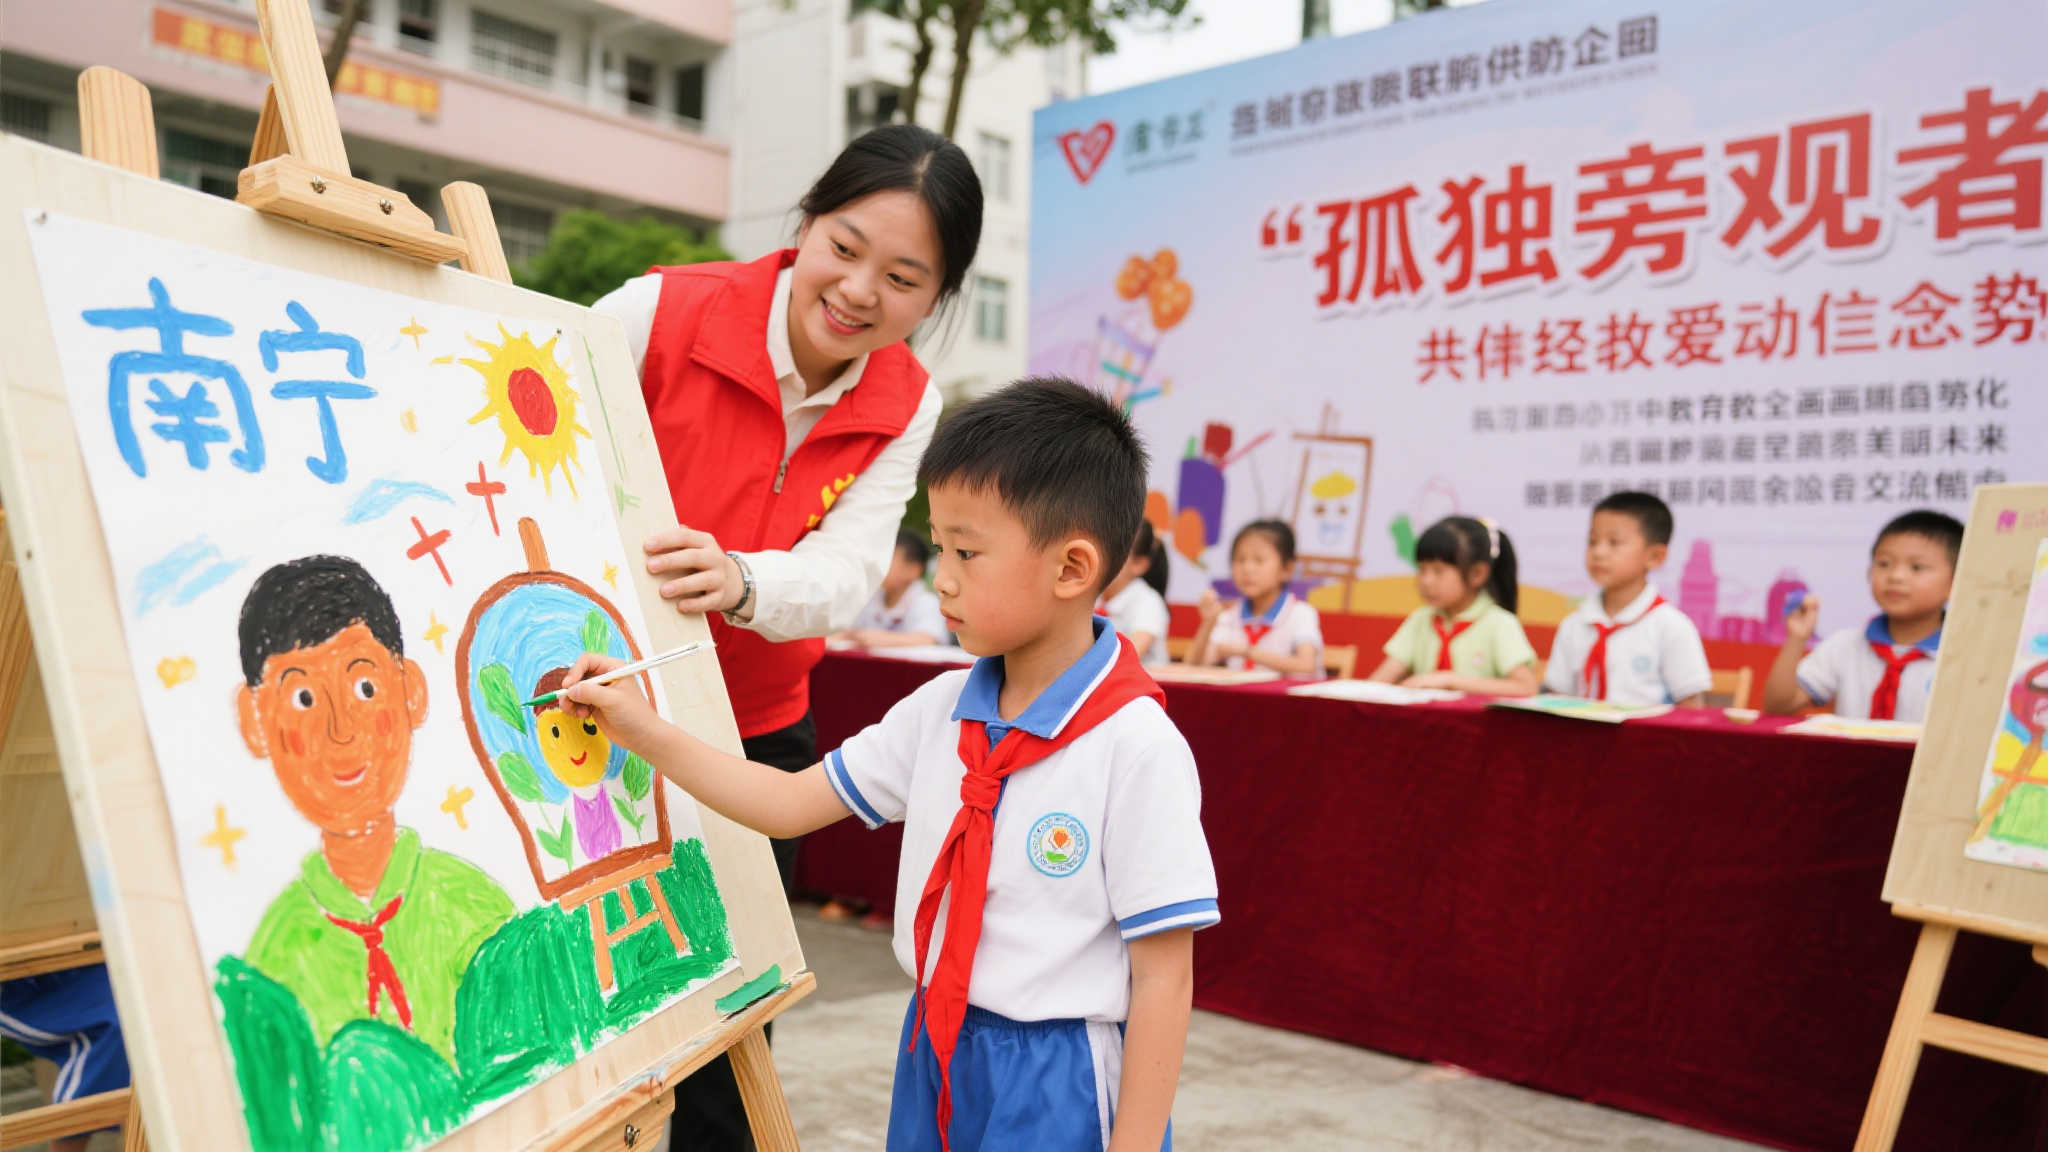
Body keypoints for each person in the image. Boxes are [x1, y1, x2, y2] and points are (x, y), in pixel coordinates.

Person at [558, 379, 1217, 1152]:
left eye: (967, 552)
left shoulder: (1135, 746)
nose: (941, 575)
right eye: (940, 545)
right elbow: (787, 803)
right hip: (934, 1043)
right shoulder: (938, 709)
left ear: (1072, 569)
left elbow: (1165, 975)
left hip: (1058, 1074)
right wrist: (640, 728)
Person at [595, 125, 982, 1149]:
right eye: (845, 247)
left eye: (902, 278)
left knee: (731, 1015)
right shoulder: (657, 311)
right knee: (577, 994)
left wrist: (739, 578)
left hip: (756, 734)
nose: (859, 291)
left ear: (936, 300)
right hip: (596, 708)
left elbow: (852, 573)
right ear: (806, 222)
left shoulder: (907, 402)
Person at [235, 556, 514, 1065]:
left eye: (364, 688)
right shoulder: (272, 964)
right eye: (303, 699)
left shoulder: (478, 911)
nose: (341, 731)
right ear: (254, 722)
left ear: (411, 691)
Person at [1763, 509, 1963, 722]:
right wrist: (1796, 639)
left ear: (1956, 582)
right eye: (1884, 564)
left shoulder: (1964, 655)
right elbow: (1779, 706)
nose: (1896, 576)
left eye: (1916, 567)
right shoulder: (1845, 645)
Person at [1542, 491, 1711, 707]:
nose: (1599, 552)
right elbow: (1557, 697)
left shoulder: (1671, 626)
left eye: (1614, 542)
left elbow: (1691, 706)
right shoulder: (1574, 624)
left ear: (1654, 557)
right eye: (1592, 541)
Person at [1368, 516, 1538, 696]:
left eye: (1438, 571)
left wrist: (1450, 681)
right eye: (1422, 569)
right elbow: (1382, 680)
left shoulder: (1499, 623)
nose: (1426, 581)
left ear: (1477, 574)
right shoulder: (1421, 620)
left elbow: (1526, 688)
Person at [0, 966, 129, 1152]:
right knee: (114, 1028)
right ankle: (69, 1134)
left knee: (140, 1004)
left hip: (78, 959)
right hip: (11, 983)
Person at [1188, 520, 1324, 678]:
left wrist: (1247, 651)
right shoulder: (1230, 616)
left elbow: (1306, 666)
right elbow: (1192, 666)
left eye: (1259, 560)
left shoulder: (1301, 614)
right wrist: (1208, 623)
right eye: (1240, 560)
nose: (1248, 569)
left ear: (1287, 569)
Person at [838, 530, 949, 648]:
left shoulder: (925, 602)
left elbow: (929, 640)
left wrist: (875, 638)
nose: (878, 565)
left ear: (913, 569)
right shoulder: (872, 597)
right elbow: (848, 632)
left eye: (887, 560)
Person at [1100, 518, 1171, 665]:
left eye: (1113, 550)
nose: (1100, 556)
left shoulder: (1148, 602)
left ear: (1139, 564)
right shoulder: (1091, 596)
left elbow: (1129, 658)